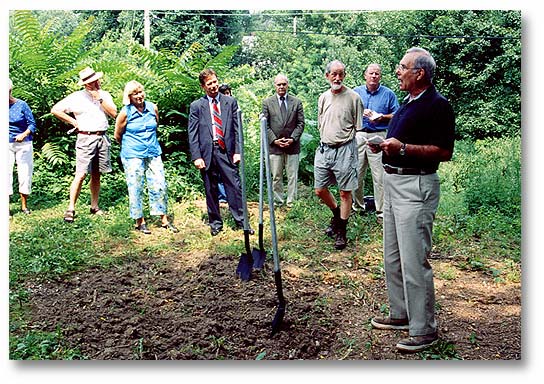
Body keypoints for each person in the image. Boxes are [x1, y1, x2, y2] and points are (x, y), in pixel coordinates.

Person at [369, 47, 455, 353]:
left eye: (403, 67)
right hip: (394, 183)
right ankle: (401, 313)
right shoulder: (408, 103)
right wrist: (387, 146)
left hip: (415, 186)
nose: (397, 72)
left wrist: (403, 148)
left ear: (419, 73)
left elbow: (444, 152)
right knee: (392, 256)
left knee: (414, 260)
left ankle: (424, 329)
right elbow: (403, 141)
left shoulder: (438, 105)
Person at [51, 66, 117, 223]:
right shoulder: (76, 97)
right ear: (85, 84)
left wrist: (99, 99)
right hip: (85, 138)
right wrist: (73, 121)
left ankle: (94, 206)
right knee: (80, 174)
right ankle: (71, 208)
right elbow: (55, 110)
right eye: (91, 82)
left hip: (102, 137)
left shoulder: (105, 95)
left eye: (95, 80)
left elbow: (114, 114)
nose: (95, 84)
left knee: (96, 174)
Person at [113, 80, 178, 234]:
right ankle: (139, 221)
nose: (139, 96)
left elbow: (156, 123)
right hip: (132, 154)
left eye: (140, 92)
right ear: (129, 96)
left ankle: (163, 219)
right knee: (135, 186)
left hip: (153, 151)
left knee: (159, 184)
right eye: (135, 93)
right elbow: (117, 135)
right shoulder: (125, 112)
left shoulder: (152, 107)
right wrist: (131, 145)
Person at [188, 69, 244, 236]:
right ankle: (215, 224)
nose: (213, 86)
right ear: (203, 87)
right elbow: (192, 133)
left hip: (226, 151)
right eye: (209, 84)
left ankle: (241, 221)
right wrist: (197, 156)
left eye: (214, 82)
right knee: (210, 188)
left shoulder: (230, 102)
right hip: (207, 152)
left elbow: (237, 129)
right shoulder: (197, 106)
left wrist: (237, 151)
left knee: (234, 186)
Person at [314, 60, 363, 250]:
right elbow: (321, 122)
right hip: (325, 149)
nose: (337, 77)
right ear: (327, 76)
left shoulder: (354, 98)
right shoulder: (323, 97)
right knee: (319, 189)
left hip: (345, 149)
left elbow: (358, 127)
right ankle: (337, 216)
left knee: (345, 192)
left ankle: (342, 231)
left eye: (340, 74)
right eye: (333, 74)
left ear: (344, 75)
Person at [352, 64, 399, 222]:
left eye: (377, 74)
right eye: (371, 73)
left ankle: (381, 212)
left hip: (379, 135)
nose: (373, 76)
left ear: (380, 76)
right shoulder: (355, 92)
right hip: (358, 135)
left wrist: (382, 117)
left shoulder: (388, 94)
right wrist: (360, 113)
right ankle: (357, 207)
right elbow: (348, 112)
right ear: (365, 75)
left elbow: (396, 115)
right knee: (356, 173)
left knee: (379, 176)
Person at [262, 73, 305, 208]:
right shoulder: (267, 103)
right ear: (275, 86)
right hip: (275, 146)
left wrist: (292, 138)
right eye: (279, 84)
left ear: (288, 85)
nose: (281, 87)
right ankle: (278, 201)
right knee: (276, 176)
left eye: (284, 84)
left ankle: (292, 202)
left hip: (292, 146)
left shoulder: (296, 102)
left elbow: (301, 123)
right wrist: (274, 140)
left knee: (292, 176)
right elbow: (265, 124)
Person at [9, 78, 36, 215]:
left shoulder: (22, 105)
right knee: (5, 174)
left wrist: (23, 134)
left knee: (24, 172)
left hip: (23, 143)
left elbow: (32, 124)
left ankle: (24, 206)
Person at [217, 84, 232, 204]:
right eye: (225, 93)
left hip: (229, 145)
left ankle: (232, 195)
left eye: (229, 93)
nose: (228, 96)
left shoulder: (232, 106)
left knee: (231, 172)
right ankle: (222, 196)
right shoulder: (215, 107)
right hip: (217, 144)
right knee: (218, 173)